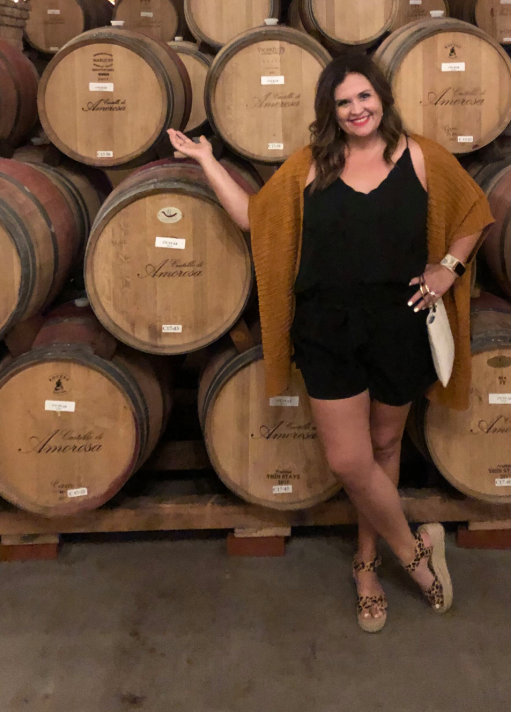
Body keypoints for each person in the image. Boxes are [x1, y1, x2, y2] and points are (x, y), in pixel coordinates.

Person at [168, 52, 493, 633]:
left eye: (364, 97)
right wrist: (207, 161)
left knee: (384, 449)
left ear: (382, 99)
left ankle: (366, 565)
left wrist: (449, 266)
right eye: (343, 102)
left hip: (400, 323)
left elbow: (473, 211)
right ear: (331, 111)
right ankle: (417, 554)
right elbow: (253, 218)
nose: (356, 109)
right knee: (349, 459)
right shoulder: (311, 167)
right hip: (327, 330)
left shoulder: (420, 157)